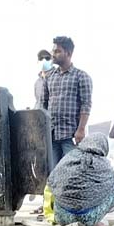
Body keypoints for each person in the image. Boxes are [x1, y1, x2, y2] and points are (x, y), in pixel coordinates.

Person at [49, 133, 114, 226]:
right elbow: (112, 186)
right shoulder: (103, 163)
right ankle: (95, 220)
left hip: (62, 217)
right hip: (88, 219)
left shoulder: (69, 157)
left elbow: (51, 180)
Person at [40, 36, 93, 167]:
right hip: (52, 135)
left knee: (71, 172)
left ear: (68, 53)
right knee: (53, 174)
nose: (53, 54)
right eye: (53, 51)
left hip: (71, 135)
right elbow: (43, 104)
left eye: (57, 51)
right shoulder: (50, 77)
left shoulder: (81, 76)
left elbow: (86, 105)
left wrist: (81, 130)